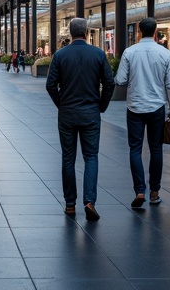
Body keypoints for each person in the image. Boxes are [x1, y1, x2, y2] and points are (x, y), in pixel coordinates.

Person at [45, 17, 115, 221]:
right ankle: (89, 201)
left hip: (67, 112)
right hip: (91, 112)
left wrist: (61, 104)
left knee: (68, 157)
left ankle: (69, 204)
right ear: (86, 33)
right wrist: (101, 105)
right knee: (91, 156)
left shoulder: (60, 55)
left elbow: (50, 85)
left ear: (69, 33)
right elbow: (109, 83)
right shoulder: (98, 54)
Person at [116, 17, 170, 209]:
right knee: (156, 149)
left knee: (135, 149)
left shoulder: (129, 52)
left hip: (134, 107)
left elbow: (120, 79)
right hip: (157, 108)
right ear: (156, 31)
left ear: (138, 31)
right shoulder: (165, 53)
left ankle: (139, 190)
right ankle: (154, 192)